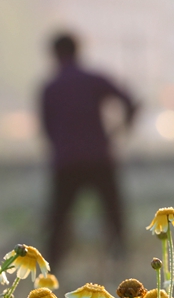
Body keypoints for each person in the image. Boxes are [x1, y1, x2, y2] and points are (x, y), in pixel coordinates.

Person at [40, 32, 138, 270]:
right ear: (78, 50)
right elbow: (131, 102)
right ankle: (119, 263)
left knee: (58, 220)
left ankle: (52, 269)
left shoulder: (50, 87)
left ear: (54, 54)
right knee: (113, 215)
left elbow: (46, 127)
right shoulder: (94, 79)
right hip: (99, 157)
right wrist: (119, 131)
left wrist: (61, 145)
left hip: (66, 162)